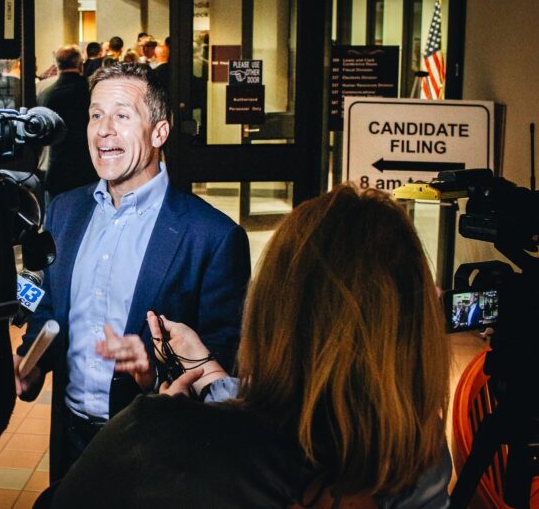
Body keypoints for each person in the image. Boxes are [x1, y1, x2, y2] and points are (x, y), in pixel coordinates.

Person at [55, 185, 453, 507]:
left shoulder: (157, 433)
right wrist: (208, 372)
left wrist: (164, 424)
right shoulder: (421, 454)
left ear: (269, 313)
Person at [14, 62, 250, 482]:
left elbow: (222, 368)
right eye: (95, 115)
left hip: (158, 452)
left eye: (122, 115)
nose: (103, 130)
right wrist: (30, 359)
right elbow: (44, 302)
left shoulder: (212, 237)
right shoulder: (64, 211)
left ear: (159, 132)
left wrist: (155, 373)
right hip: (70, 444)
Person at [38, 45, 96, 199]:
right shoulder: (92, 90)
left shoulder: (46, 94)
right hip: (90, 167)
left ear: (57, 65)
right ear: (80, 64)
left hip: (58, 168)